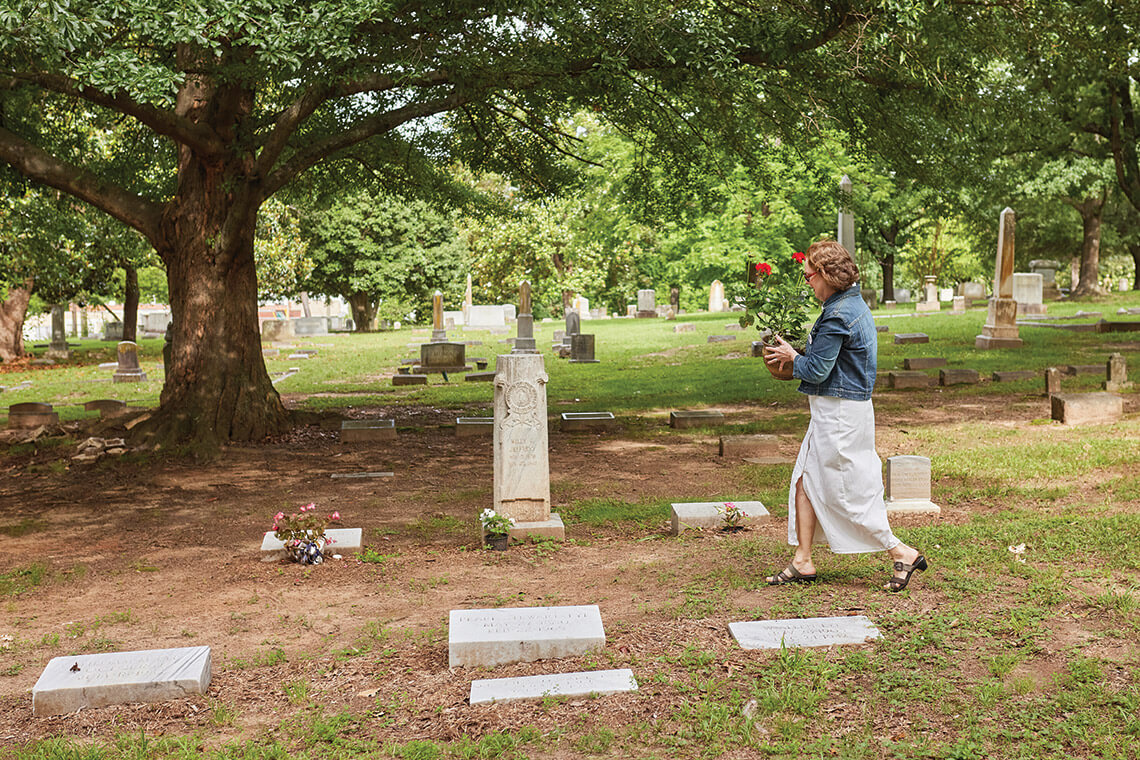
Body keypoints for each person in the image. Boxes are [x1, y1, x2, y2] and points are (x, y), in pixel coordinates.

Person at [762, 240, 927, 592]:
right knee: (805, 480)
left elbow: (818, 370)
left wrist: (791, 360)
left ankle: (902, 552)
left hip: (840, 416)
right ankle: (803, 560)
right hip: (835, 411)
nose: (807, 282)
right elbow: (831, 360)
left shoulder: (838, 313)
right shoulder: (848, 304)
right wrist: (797, 353)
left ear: (824, 274)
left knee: (845, 492)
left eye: (809, 276)